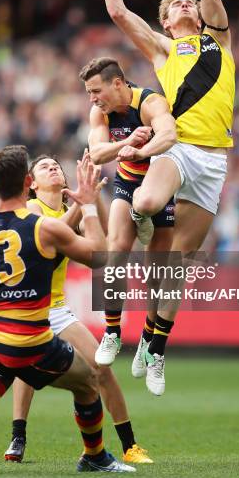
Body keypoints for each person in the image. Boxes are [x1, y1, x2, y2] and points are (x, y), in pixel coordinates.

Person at [0, 145, 134, 474]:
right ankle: (95, 456)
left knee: (4, 364)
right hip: (30, 337)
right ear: (28, 181)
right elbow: (100, 256)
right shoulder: (41, 225)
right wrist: (86, 206)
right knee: (87, 382)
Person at [97, 0, 235, 395]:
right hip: (178, 148)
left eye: (187, 2)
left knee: (181, 263)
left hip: (215, 161)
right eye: (175, 2)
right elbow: (117, 11)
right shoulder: (161, 48)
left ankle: (153, 347)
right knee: (151, 203)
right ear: (165, 19)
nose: (185, 3)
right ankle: (137, 221)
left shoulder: (218, 38)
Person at [4, 153, 152, 464]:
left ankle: (130, 445)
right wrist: (80, 205)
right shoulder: (31, 208)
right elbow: (52, 235)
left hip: (55, 308)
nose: (53, 167)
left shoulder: (72, 207)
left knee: (102, 369)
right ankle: (18, 436)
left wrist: (92, 200)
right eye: (44, 167)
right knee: (24, 369)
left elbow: (104, 247)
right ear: (31, 184)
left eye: (56, 164)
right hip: (27, 307)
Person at [79, 57, 176, 393]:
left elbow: (169, 136)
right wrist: (128, 143)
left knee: (156, 276)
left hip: (160, 186)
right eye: (89, 92)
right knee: (115, 251)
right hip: (127, 182)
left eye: (96, 90)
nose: (92, 98)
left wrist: (144, 148)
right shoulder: (100, 113)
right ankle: (112, 333)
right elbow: (99, 152)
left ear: (117, 83)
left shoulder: (150, 102)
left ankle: (149, 343)